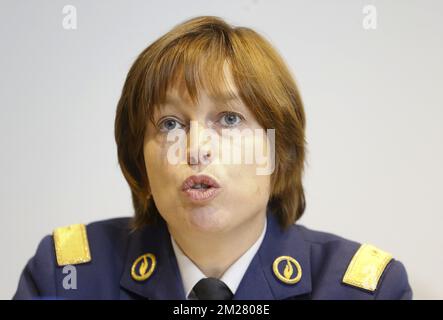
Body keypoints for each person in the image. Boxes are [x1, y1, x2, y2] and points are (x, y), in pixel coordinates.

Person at [13, 16, 412, 300]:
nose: (195, 147)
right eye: (170, 124)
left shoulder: (365, 290)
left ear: (280, 153)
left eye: (229, 118)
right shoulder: (65, 277)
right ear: (140, 165)